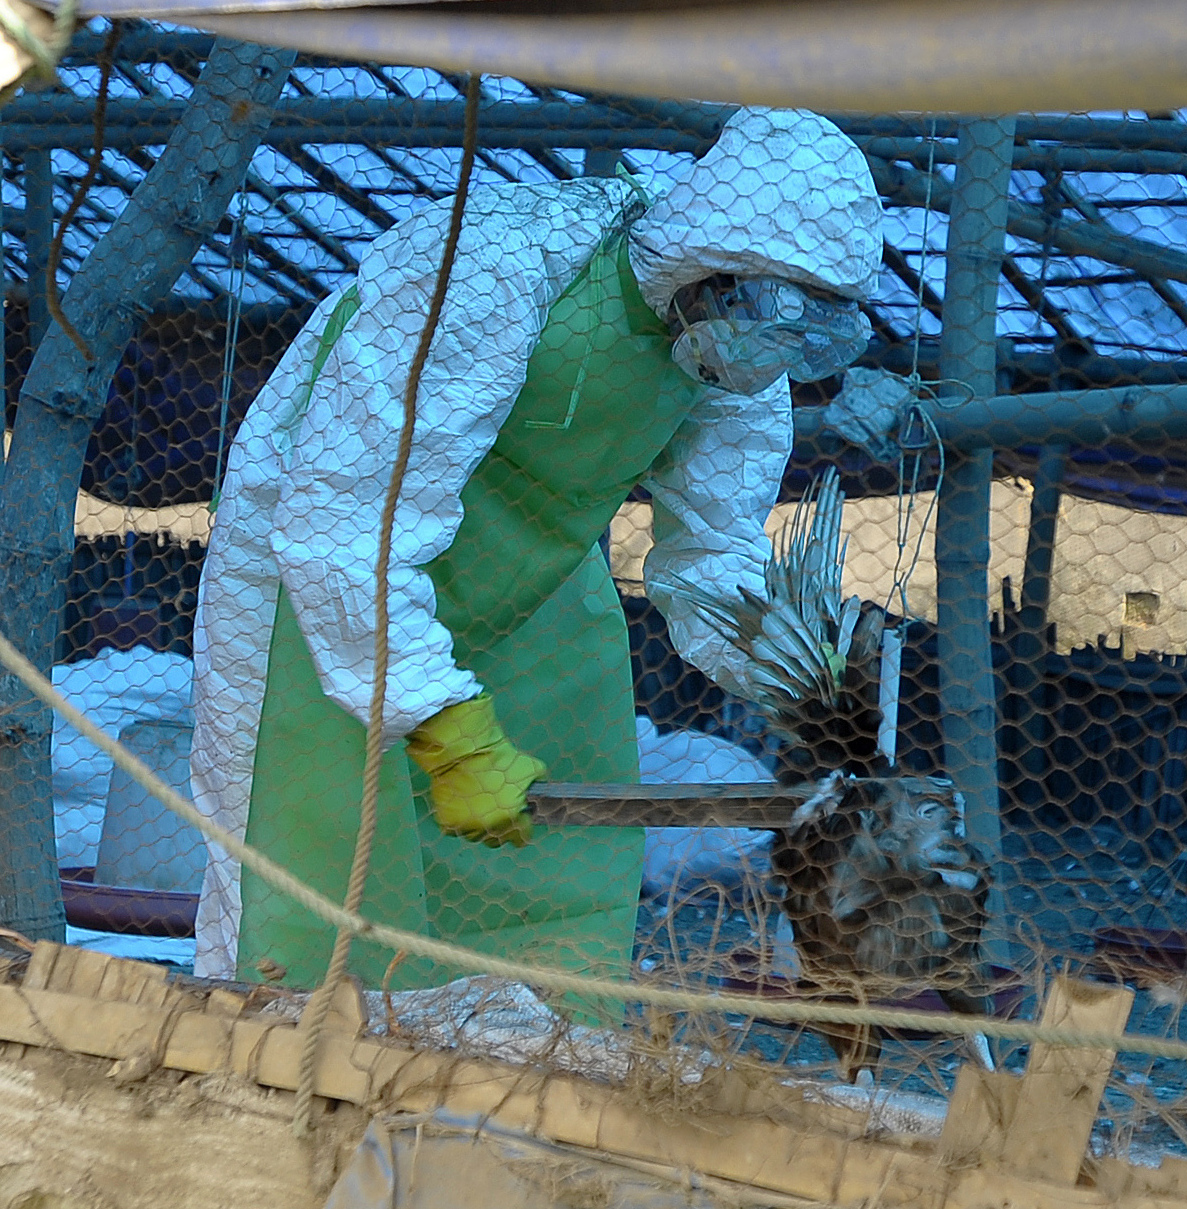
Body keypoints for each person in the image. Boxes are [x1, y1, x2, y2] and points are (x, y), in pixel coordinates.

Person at [189, 107, 882, 987]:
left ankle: (516, 1063)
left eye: (807, 333)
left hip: (533, 597)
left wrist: (789, 664)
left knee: (550, 893)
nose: (769, 356)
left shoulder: (738, 364)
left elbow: (713, 554)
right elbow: (343, 517)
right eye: (769, 313)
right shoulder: (493, 261)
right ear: (706, 264)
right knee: (315, 875)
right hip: (322, 584)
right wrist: (445, 728)